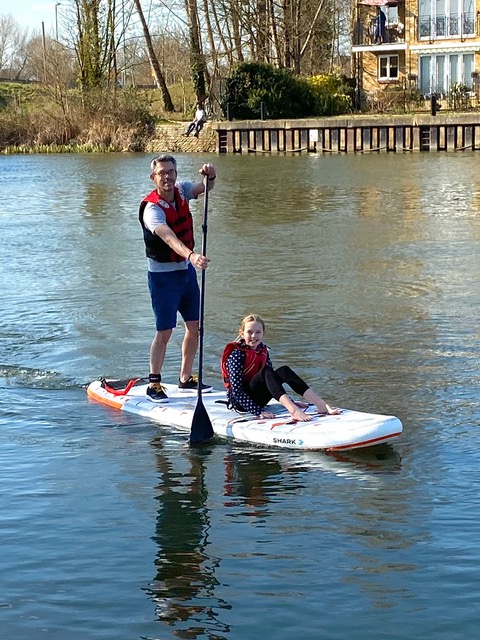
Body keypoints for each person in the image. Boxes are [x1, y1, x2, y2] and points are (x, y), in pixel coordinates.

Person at [139, 154, 217, 402]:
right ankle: (155, 383)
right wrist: (192, 255)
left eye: (171, 171)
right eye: (162, 173)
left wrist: (210, 175)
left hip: (186, 273)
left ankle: (185, 378)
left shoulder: (182, 190)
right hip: (163, 278)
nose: (168, 177)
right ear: (154, 178)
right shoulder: (151, 209)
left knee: (195, 327)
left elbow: (204, 188)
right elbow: (168, 237)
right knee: (165, 331)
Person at [221, 314, 340, 421]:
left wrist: (291, 401)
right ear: (242, 333)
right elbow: (236, 390)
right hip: (240, 403)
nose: (254, 336)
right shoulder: (237, 354)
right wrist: (258, 411)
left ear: (263, 333)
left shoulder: (263, 350)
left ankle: (320, 404)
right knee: (267, 371)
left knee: (283, 370)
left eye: (258, 332)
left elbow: (271, 381)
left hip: (259, 398)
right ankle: (293, 411)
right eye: (249, 332)